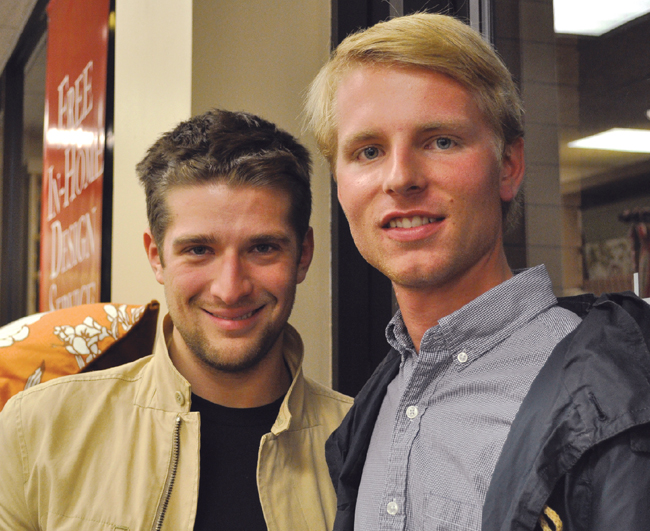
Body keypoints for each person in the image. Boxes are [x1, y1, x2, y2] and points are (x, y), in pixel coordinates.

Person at [305, 12, 650, 531]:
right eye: (368, 151)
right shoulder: (374, 411)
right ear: (338, 184)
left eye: (440, 141)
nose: (400, 178)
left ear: (509, 165)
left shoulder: (616, 399)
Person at [0, 109, 353, 530]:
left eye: (262, 248)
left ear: (303, 255)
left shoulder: (366, 444)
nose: (229, 289)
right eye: (198, 250)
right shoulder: (37, 431)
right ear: (157, 257)